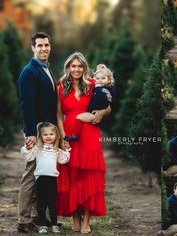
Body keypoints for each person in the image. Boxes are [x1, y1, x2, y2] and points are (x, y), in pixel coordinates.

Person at [56, 52, 111, 234]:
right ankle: (75, 217)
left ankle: (86, 219)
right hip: (70, 134)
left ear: (85, 68)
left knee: (90, 174)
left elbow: (108, 105)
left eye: (80, 66)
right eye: (73, 66)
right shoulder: (61, 86)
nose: (77, 69)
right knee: (72, 174)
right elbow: (58, 114)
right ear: (68, 68)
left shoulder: (93, 85)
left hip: (90, 133)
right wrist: (63, 136)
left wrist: (102, 113)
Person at [17, 32, 58, 233]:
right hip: (37, 130)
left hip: (46, 128)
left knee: (40, 174)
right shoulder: (29, 72)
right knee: (31, 174)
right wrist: (32, 132)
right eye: (40, 45)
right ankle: (23, 220)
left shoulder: (46, 69)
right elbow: (26, 105)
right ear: (32, 48)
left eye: (47, 45)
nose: (44, 48)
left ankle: (35, 217)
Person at [21, 122, 70, 234]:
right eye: (45, 134)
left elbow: (63, 160)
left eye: (51, 134)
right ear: (41, 136)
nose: (48, 136)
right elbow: (28, 157)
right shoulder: (38, 149)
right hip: (40, 180)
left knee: (52, 204)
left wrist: (67, 150)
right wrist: (27, 148)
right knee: (41, 204)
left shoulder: (56, 150)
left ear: (56, 135)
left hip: (52, 180)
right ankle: (42, 225)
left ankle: (54, 224)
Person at [64, 64, 115, 141]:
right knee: (78, 119)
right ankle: (74, 134)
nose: (100, 80)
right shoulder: (94, 87)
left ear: (108, 80)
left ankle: (74, 135)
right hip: (91, 114)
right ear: (93, 78)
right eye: (97, 78)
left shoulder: (105, 90)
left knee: (78, 117)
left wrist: (102, 111)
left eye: (103, 78)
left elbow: (108, 103)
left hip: (94, 115)